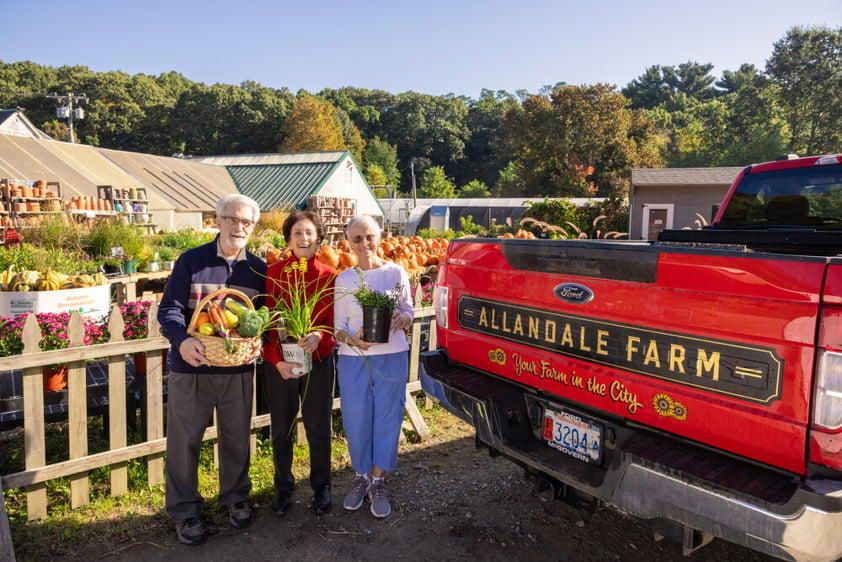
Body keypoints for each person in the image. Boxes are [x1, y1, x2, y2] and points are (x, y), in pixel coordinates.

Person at [157, 193, 266, 546]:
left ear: (253, 227)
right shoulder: (192, 261)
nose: (239, 227)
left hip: (236, 369)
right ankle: (185, 511)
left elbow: (261, 319)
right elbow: (170, 310)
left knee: (236, 437)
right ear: (217, 221)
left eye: (246, 222)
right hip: (192, 367)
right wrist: (182, 341)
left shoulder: (258, 269)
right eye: (232, 219)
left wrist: (259, 341)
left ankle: (235, 498)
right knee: (184, 441)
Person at [333, 215, 413, 518]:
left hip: (392, 354)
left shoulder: (395, 272)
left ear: (380, 238)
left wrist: (401, 319)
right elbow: (337, 327)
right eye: (357, 239)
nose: (364, 244)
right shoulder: (344, 279)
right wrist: (352, 340)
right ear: (348, 242)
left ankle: (378, 480)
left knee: (388, 418)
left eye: (370, 237)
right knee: (356, 419)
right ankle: (361, 476)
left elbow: (407, 310)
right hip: (353, 358)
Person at [263, 210, 337, 516]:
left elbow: (333, 324)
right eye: (297, 233)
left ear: (318, 238)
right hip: (282, 363)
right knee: (281, 428)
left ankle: (321, 486)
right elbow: (270, 323)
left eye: (309, 233)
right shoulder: (275, 273)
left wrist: (320, 336)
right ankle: (283, 487)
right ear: (288, 239)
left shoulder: (330, 276)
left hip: (317, 360)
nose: (303, 238)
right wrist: (276, 360)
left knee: (319, 427)